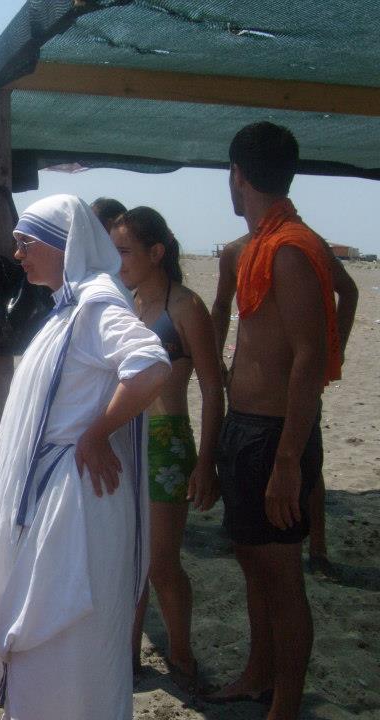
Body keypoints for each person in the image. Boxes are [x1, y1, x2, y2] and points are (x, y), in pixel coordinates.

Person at [0, 194, 170, 720]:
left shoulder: (95, 305)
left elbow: (150, 365)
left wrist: (96, 433)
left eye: (26, 243)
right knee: (54, 638)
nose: (18, 255)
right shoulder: (72, 305)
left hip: (78, 498)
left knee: (67, 634)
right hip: (65, 492)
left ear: (63, 245)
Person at [206, 122, 341, 719]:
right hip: (244, 426)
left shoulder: (291, 250)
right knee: (253, 562)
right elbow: (229, 318)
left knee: (283, 577)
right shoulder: (251, 248)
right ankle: (260, 673)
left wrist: (288, 462)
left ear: (237, 176)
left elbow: (310, 356)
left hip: (276, 436)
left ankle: (285, 704)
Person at [110, 207, 223, 688]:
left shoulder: (186, 308)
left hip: (166, 441)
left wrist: (207, 462)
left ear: (156, 252)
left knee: (161, 562)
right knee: (129, 557)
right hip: (125, 439)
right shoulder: (127, 302)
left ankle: (181, 654)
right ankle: (129, 654)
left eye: (124, 251)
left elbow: (214, 387)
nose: (117, 260)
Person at [211, 232, 357, 573]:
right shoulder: (235, 252)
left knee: (304, 466)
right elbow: (220, 305)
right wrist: (216, 359)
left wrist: (336, 351)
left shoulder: (300, 247)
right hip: (247, 401)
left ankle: (317, 544)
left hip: (294, 391)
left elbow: (348, 291)